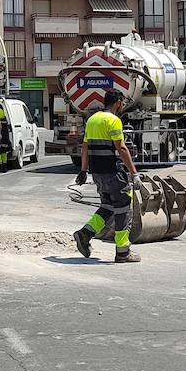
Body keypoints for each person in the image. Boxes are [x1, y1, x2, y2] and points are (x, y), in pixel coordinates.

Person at [73, 87, 139, 263]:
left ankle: (85, 233)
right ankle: (123, 252)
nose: (123, 105)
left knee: (108, 206)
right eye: (122, 102)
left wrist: (83, 170)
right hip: (112, 171)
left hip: (97, 173)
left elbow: (85, 147)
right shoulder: (114, 120)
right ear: (118, 102)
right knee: (124, 208)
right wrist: (134, 173)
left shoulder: (92, 120)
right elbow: (122, 148)